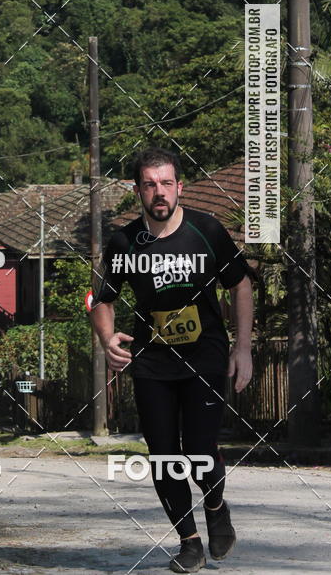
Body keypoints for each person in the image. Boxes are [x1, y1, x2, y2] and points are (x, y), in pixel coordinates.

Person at [91, 147, 253, 573]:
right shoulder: (124, 242)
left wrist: (243, 348)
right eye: (150, 185)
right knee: (163, 454)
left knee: (199, 448)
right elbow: (102, 301)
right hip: (151, 361)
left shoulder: (207, 231)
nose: (159, 193)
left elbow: (240, 286)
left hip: (205, 355)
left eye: (166, 184)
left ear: (180, 187)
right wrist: (108, 339)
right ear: (137, 191)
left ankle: (216, 507)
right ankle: (189, 541)